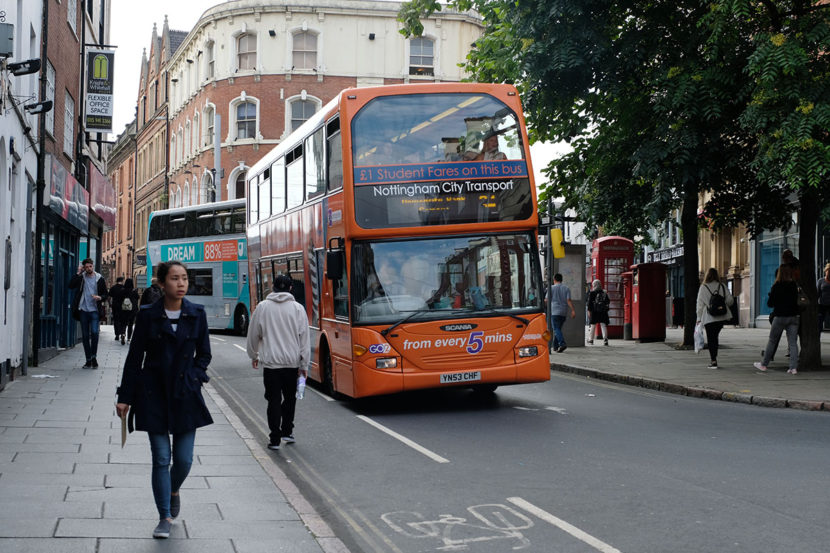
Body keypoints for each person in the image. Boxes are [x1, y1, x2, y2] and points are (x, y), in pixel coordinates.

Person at [115, 261, 213, 539]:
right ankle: (164, 516)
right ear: (161, 283)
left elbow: (204, 355)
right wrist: (125, 397)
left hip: (185, 394)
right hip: (153, 394)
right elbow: (135, 359)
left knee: (183, 460)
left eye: (184, 278)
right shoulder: (147, 315)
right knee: (161, 458)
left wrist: (194, 377)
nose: (181, 284)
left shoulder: (197, 314)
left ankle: (173, 489)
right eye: (174, 279)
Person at [246, 274, 309, 450]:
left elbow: (253, 333)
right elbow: (304, 339)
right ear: (290, 288)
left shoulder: (262, 307)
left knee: (273, 400)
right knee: (290, 398)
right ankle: (287, 431)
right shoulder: (298, 309)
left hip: (271, 364)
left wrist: (254, 355)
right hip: (292, 363)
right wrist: (304, 365)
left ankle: (274, 439)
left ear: (272, 287)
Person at [755, 265, 799, 374]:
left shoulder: (777, 286)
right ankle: (793, 367)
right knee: (793, 343)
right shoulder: (794, 285)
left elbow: (770, 303)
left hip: (780, 316)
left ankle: (764, 364)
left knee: (772, 341)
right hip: (793, 317)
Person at [69, 258, 108, 369]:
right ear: (84, 268)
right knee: (85, 336)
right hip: (83, 310)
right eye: (86, 267)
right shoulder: (82, 278)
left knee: (95, 333)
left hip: (95, 310)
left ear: (93, 266)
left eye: (90, 266)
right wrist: (78, 272)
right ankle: (88, 360)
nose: (88, 269)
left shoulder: (99, 278)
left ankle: (94, 357)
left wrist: (100, 297)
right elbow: (70, 285)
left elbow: (106, 294)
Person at [695, 268, 735, 369]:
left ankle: (713, 360)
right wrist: (721, 304)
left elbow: (699, 304)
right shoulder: (722, 286)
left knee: (711, 338)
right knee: (715, 337)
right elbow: (730, 300)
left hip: (709, 317)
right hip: (721, 317)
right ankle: (714, 358)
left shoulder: (703, 287)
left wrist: (698, 318)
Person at [546, 273, 576, 353]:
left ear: (554, 279)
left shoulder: (551, 288)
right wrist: (573, 310)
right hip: (563, 312)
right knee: (558, 329)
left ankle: (562, 343)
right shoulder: (566, 288)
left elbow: (546, 300)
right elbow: (568, 300)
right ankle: (555, 346)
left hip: (554, 311)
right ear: (561, 279)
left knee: (556, 329)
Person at [586, 279, 610, 346]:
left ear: (594, 285)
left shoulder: (592, 293)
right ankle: (605, 339)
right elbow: (608, 301)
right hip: (603, 311)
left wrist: (589, 311)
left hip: (594, 311)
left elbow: (589, 303)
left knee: (593, 325)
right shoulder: (604, 292)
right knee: (603, 325)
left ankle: (591, 340)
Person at [120, 278, 140, 344]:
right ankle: (128, 338)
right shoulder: (134, 291)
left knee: (124, 323)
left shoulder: (122, 290)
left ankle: (123, 334)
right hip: (132, 310)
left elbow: (119, 299)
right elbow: (138, 297)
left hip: (124, 309)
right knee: (130, 324)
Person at [109, 277, 126, 341]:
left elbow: (109, 296)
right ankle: (122, 333)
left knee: (116, 321)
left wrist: (110, 304)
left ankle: (117, 335)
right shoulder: (124, 288)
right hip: (123, 307)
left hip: (115, 306)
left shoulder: (113, 288)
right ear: (122, 281)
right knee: (122, 320)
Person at [817, 263, 830, 333]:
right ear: (825, 271)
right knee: (819, 322)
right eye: (828, 271)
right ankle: (817, 339)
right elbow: (817, 293)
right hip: (822, 305)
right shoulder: (820, 281)